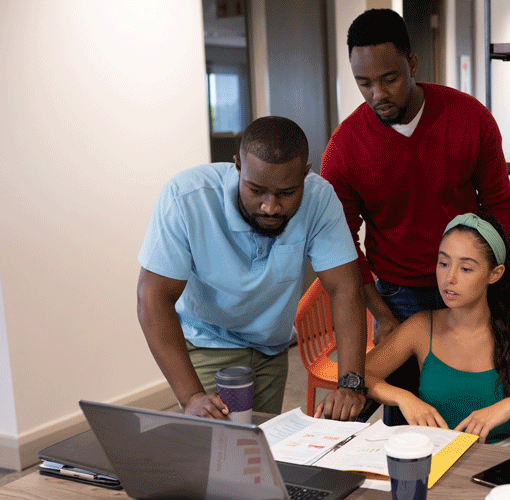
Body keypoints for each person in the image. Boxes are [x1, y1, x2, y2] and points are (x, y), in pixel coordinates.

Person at [321, 8, 510, 424]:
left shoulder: (470, 117)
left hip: (470, 278)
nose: (377, 94)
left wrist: (496, 278)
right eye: (364, 83)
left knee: (479, 402)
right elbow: (341, 246)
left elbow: (499, 203)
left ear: (412, 65)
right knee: (407, 420)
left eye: (389, 78)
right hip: (399, 293)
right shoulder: (344, 149)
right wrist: (382, 314)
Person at [137, 116, 368, 421]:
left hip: (270, 349)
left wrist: (350, 383)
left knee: (256, 451)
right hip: (208, 341)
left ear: (305, 174)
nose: (270, 206)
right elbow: (152, 297)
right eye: (256, 190)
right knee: (212, 452)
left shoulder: (319, 198)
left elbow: (345, 288)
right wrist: (191, 396)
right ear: (238, 166)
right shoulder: (187, 197)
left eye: (286, 192)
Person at [356, 212, 510, 444]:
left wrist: (509, 405)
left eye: (466, 268)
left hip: (500, 461)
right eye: (443, 263)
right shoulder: (420, 327)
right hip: (434, 456)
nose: (449, 278)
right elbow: (358, 374)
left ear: (495, 274)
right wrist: (403, 398)